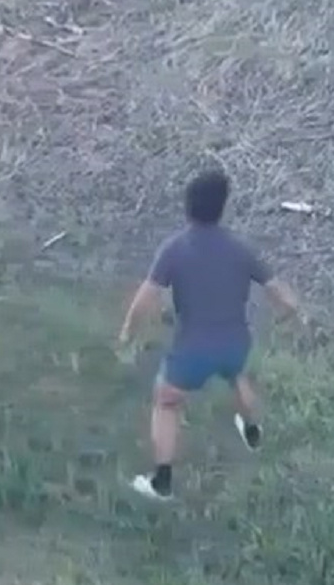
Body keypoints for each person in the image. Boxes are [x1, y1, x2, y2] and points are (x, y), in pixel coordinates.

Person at [117, 168, 303, 501]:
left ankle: (161, 482)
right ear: (222, 207)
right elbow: (285, 298)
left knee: (167, 402)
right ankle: (251, 429)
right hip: (234, 344)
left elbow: (146, 298)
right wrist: (285, 317)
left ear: (187, 206)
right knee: (237, 377)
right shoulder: (240, 249)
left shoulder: (175, 249)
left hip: (192, 351)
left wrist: (128, 333)